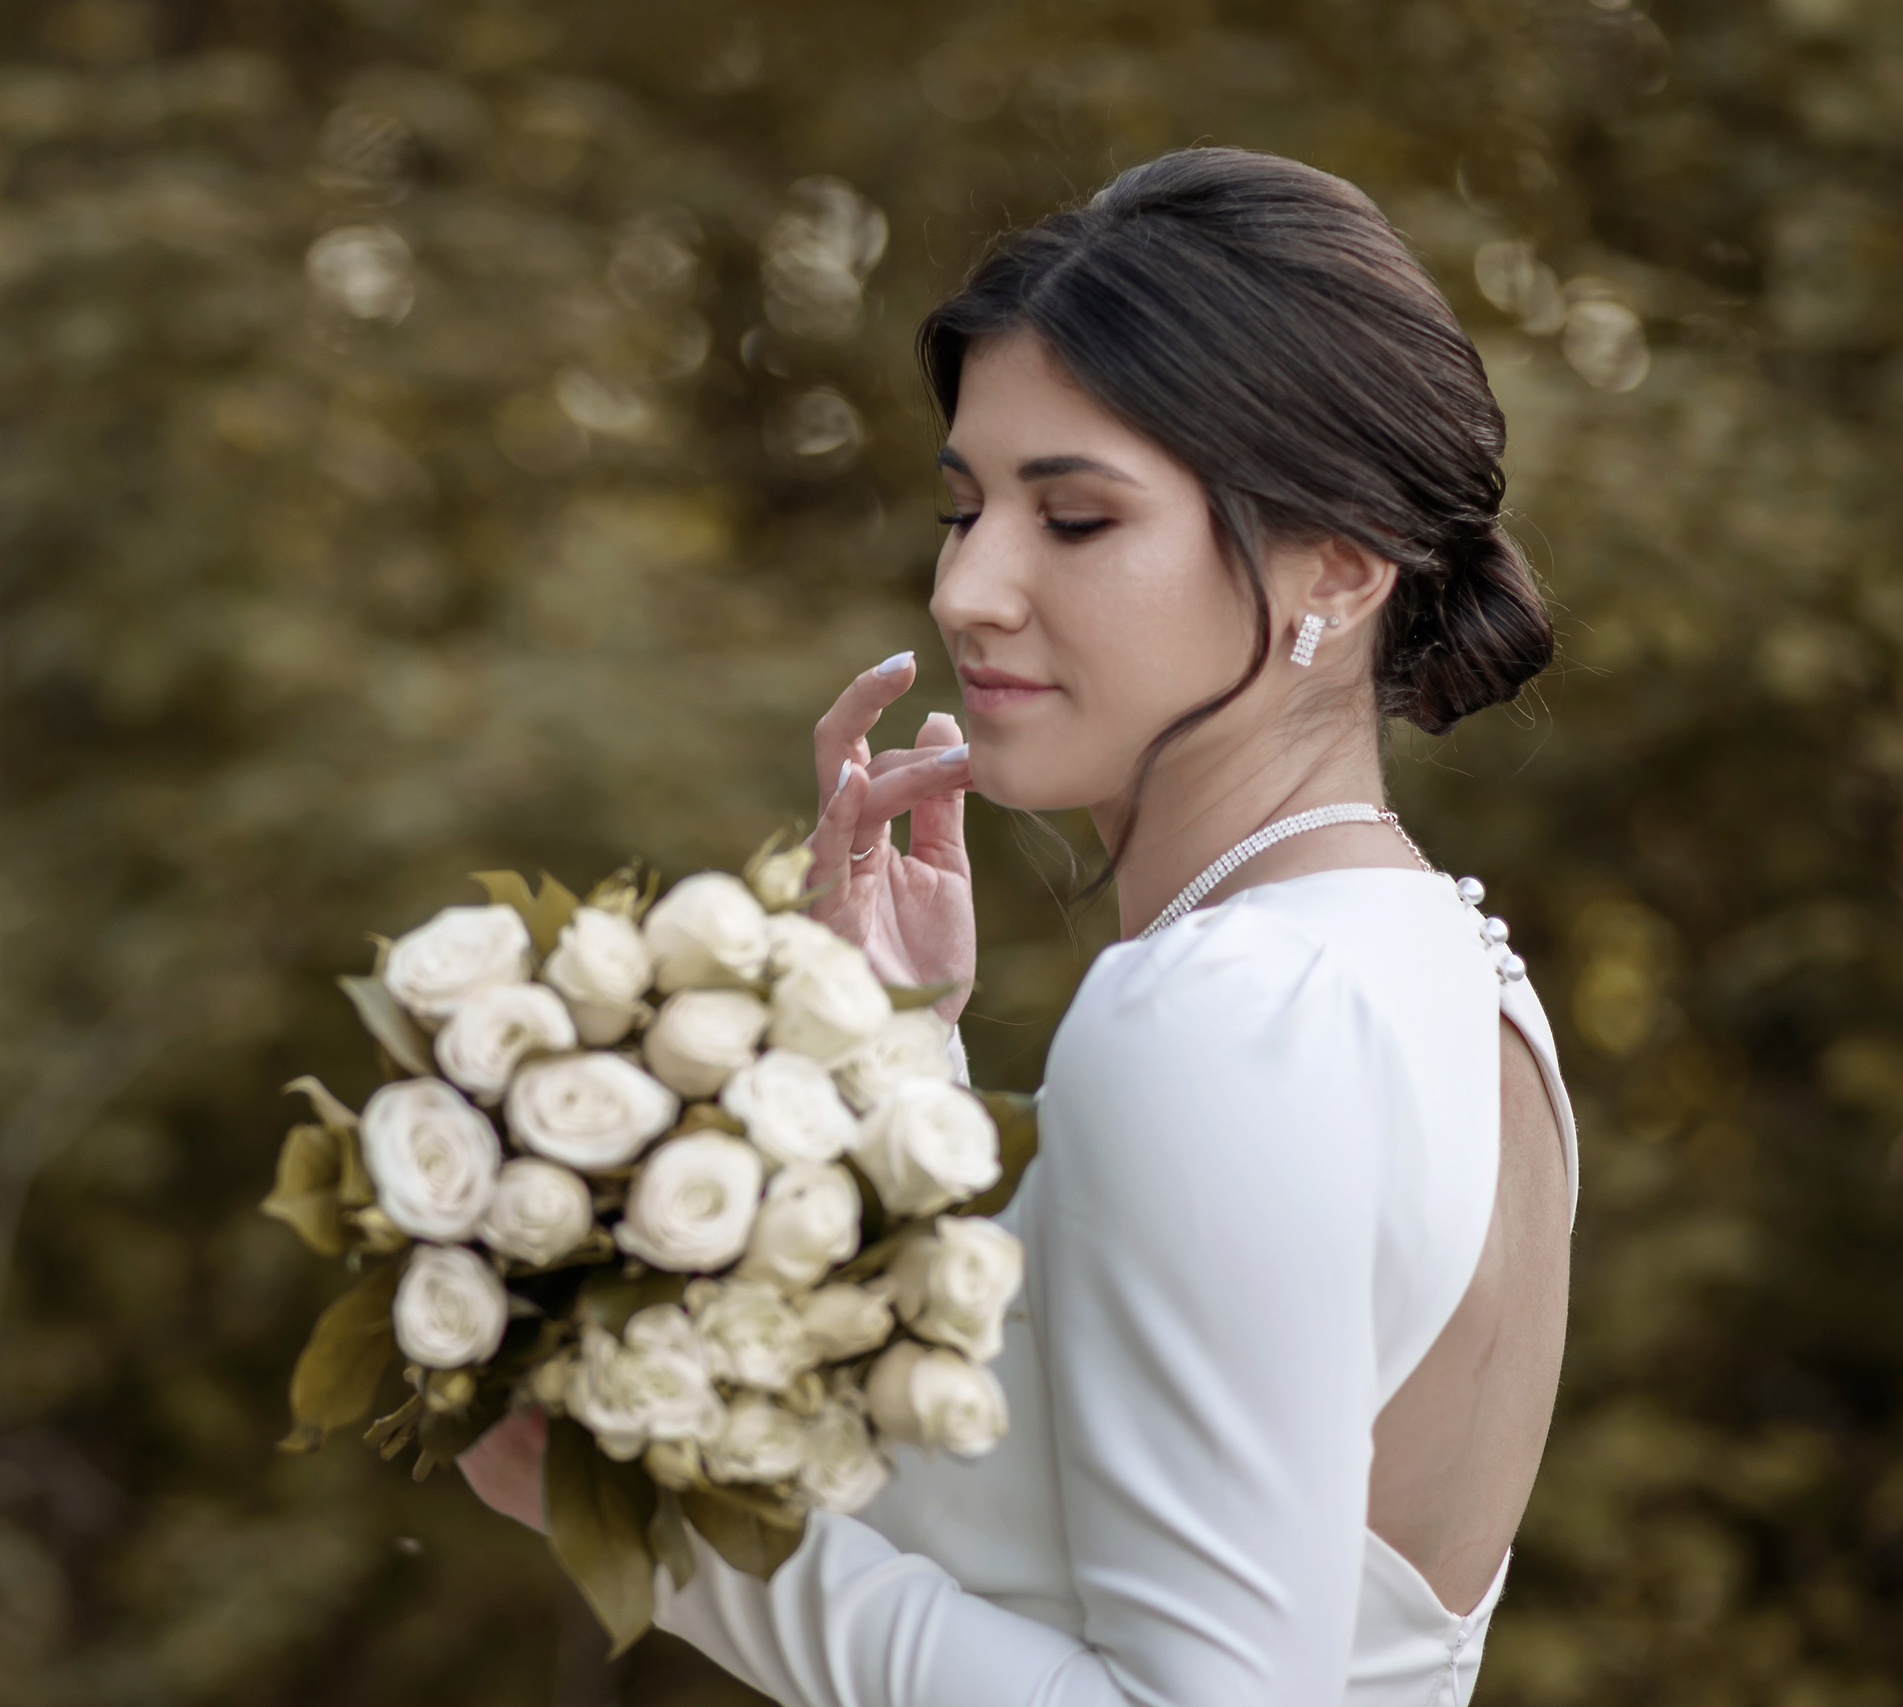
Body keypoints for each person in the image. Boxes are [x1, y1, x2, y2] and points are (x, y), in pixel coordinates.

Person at [458, 146, 1575, 1707]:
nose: (970, 588)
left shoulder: (1218, 1012)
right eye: (965, 507)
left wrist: (669, 1526)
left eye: (1075, 518)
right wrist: (890, 1055)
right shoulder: (1441, 971)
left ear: (1338, 561)